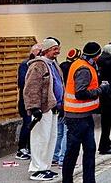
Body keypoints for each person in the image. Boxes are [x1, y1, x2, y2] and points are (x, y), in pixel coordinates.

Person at [62, 42, 110, 183]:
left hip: (83, 115)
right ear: (96, 56)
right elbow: (80, 93)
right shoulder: (84, 69)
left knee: (89, 150)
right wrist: (101, 90)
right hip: (77, 117)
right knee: (73, 152)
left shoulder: (81, 64)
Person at [23, 38, 64, 181]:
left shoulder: (53, 64)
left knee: (50, 139)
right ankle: (37, 169)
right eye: (55, 49)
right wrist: (34, 107)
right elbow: (31, 88)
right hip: (42, 109)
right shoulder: (38, 66)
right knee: (40, 139)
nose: (57, 51)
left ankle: (45, 167)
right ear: (47, 50)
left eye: (58, 48)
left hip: (53, 108)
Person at [17, 43, 43, 161]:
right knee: (28, 124)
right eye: (40, 52)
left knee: (33, 124)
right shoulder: (25, 65)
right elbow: (23, 83)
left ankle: (29, 147)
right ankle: (21, 148)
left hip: (35, 100)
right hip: (26, 101)